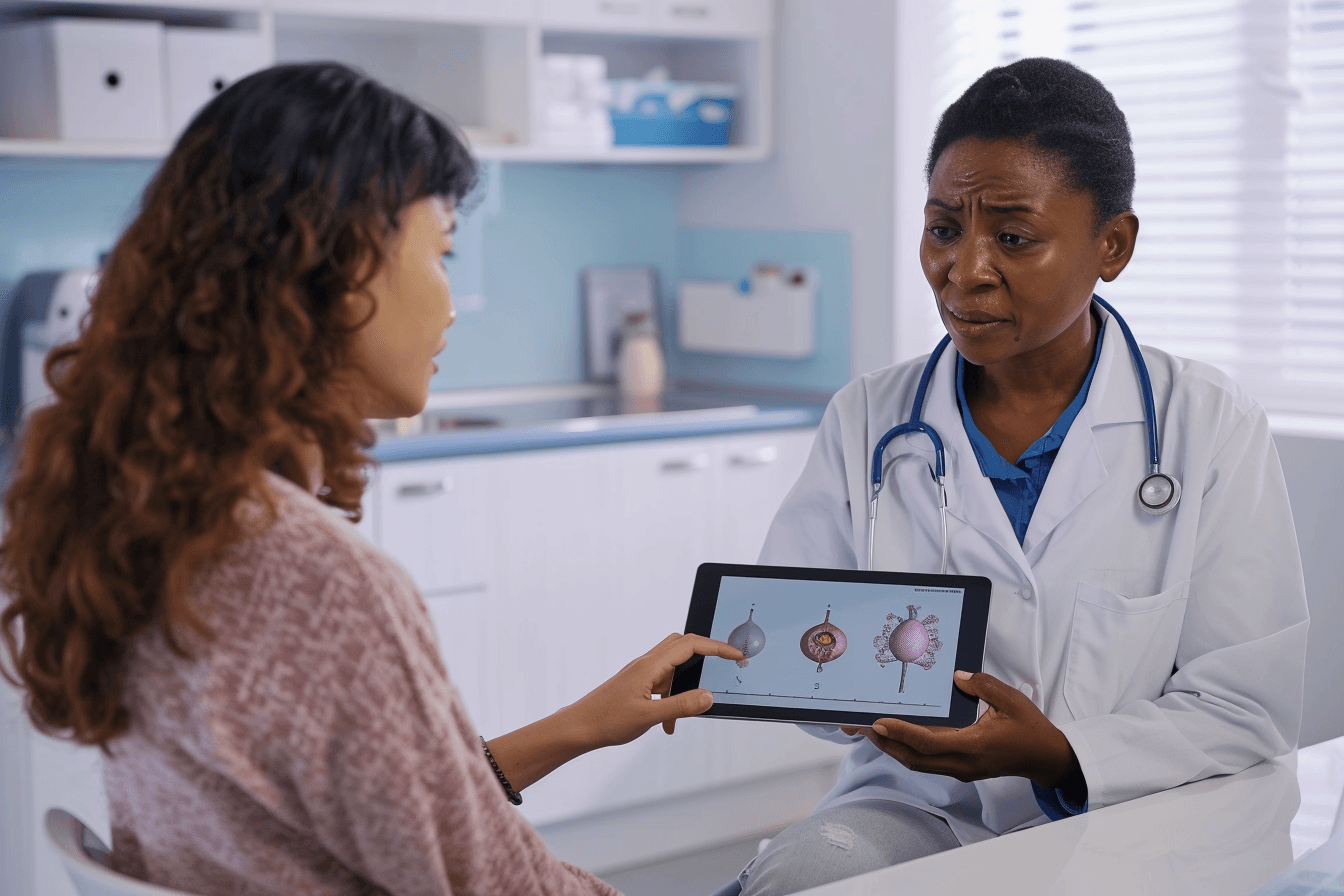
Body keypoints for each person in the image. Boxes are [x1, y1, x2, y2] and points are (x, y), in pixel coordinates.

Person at [0, 62, 741, 896]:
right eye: (443, 253)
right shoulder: (314, 580)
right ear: (337, 265)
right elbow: (488, 886)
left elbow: (350, 828)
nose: (453, 305)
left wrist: (574, 729)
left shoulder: (155, 526)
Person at [714, 57, 1310, 896]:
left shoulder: (1207, 424)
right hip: (916, 808)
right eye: (944, 229)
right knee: (800, 879)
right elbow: (786, 648)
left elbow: (1246, 708)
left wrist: (1059, 754)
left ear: (1113, 245)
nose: (966, 271)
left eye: (1014, 237)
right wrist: (835, 687)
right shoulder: (871, 419)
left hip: (1138, 817)